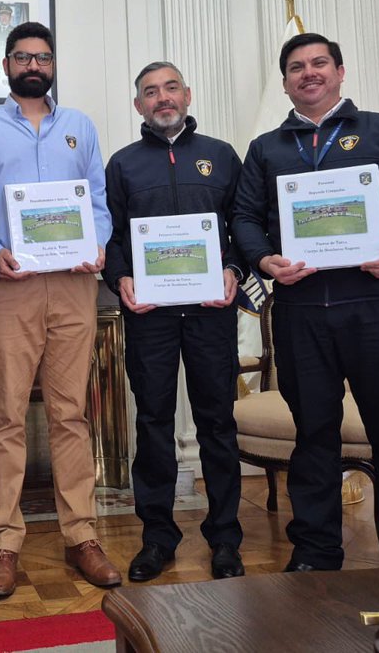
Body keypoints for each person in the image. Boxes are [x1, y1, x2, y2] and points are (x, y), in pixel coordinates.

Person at [230, 32, 379, 572]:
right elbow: (243, 220)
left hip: (376, 306)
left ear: (340, 71)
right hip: (301, 313)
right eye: (296, 67)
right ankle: (317, 548)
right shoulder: (266, 149)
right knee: (314, 434)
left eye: (319, 63)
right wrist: (263, 260)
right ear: (284, 82)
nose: (309, 73)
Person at [0, 21, 123, 598]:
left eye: (43, 57)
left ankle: (81, 535)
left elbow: (98, 202)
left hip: (74, 287)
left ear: (53, 66)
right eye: (23, 56)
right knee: (3, 417)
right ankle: (4, 539)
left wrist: (96, 245)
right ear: (6, 66)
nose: (34, 65)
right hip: (9, 287)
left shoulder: (79, 127)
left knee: (71, 415)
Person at [102, 61, 248, 582]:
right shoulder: (122, 165)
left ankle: (226, 539)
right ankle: (157, 537)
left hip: (211, 313)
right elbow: (112, 236)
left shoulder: (222, 156)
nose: (162, 98)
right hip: (150, 317)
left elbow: (245, 225)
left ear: (187, 94)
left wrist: (233, 268)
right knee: (153, 423)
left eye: (170, 88)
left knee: (217, 423)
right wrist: (120, 278)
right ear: (137, 104)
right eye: (150, 92)